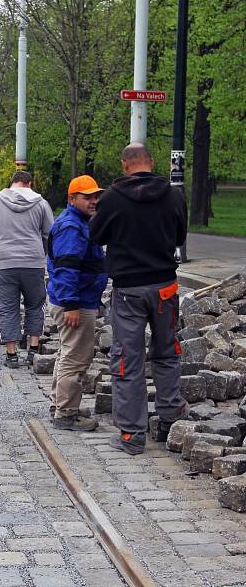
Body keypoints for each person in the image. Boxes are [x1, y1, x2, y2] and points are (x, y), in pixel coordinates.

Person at [90, 142, 188, 455]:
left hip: (129, 289)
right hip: (164, 286)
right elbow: (180, 237)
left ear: (124, 164)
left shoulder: (112, 198)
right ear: (151, 162)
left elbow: (96, 236)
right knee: (167, 350)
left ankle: (132, 434)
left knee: (127, 358)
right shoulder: (173, 194)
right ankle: (170, 417)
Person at [47, 175, 107, 432]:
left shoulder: (79, 223)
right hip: (75, 302)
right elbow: (67, 268)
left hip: (77, 299)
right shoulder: (72, 227)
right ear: (72, 199)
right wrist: (71, 304)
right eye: (87, 197)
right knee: (75, 359)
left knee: (66, 356)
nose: (94, 201)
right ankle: (66, 413)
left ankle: (61, 405)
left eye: (96, 196)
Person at [0, 170, 54, 369]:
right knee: (36, 305)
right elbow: (49, 234)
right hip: (34, 264)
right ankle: (33, 350)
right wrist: (40, 252)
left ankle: (11, 354)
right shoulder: (41, 203)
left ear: (12, 183)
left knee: (7, 307)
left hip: (5, 264)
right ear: (29, 183)